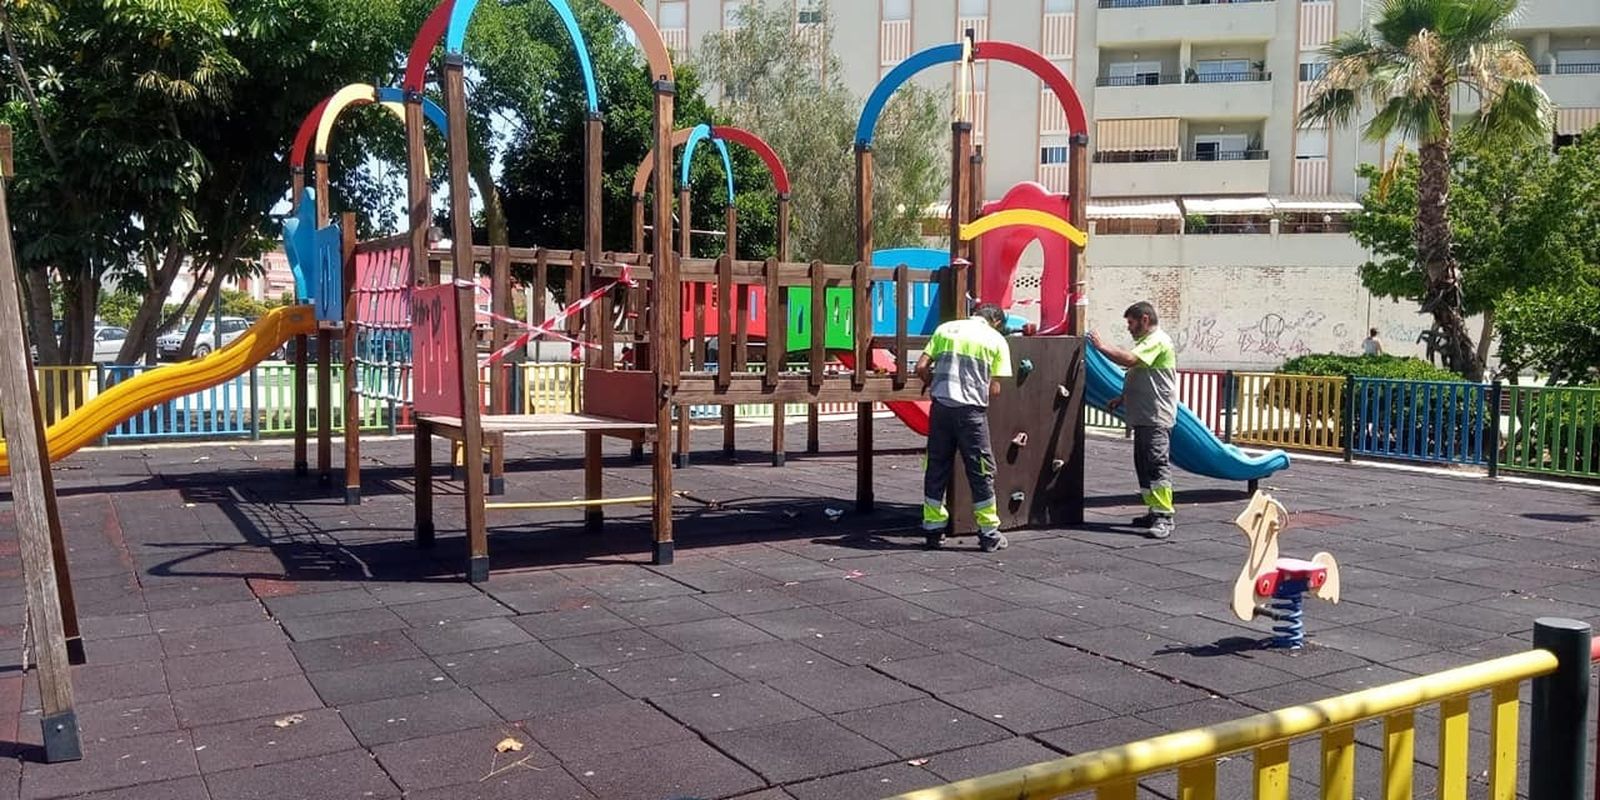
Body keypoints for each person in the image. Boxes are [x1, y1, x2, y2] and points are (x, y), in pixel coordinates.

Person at [913, 303, 1013, 553]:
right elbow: (995, 388)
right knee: (981, 469)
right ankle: (989, 533)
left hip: (941, 409)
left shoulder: (945, 329)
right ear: (997, 321)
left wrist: (935, 384)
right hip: (970, 413)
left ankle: (933, 529)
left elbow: (921, 367)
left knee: (936, 467)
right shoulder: (996, 339)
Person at [1088, 301, 1178, 539]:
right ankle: (1154, 510)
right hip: (1144, 415)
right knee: (1144, 464)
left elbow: (1129, 360)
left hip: (1156, 415)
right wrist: (1122, 397)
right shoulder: (1146, 344)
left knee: (1156, 464)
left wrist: (1101, 346)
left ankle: (1164, 516)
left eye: (1131, 322)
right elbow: (1141, 375)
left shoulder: (1157, 341)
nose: (1129, 327)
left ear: (1145, 319)